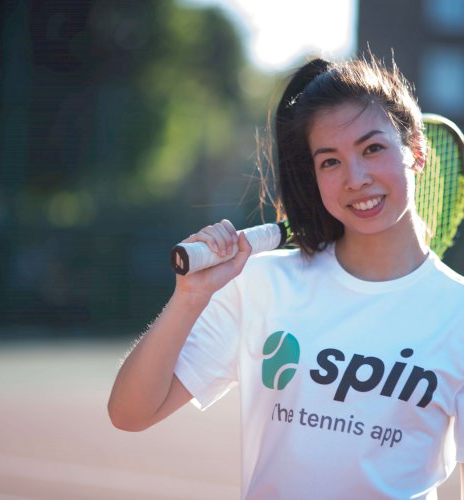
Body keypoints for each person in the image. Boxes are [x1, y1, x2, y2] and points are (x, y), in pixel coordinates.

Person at [108, 55, 464, 499]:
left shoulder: (458, 314)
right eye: (330, 162)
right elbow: (129, 413)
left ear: (417, 151)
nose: (355, 178)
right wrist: (189, 298)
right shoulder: (261, 285)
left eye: (372, 148)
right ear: (314, 176)